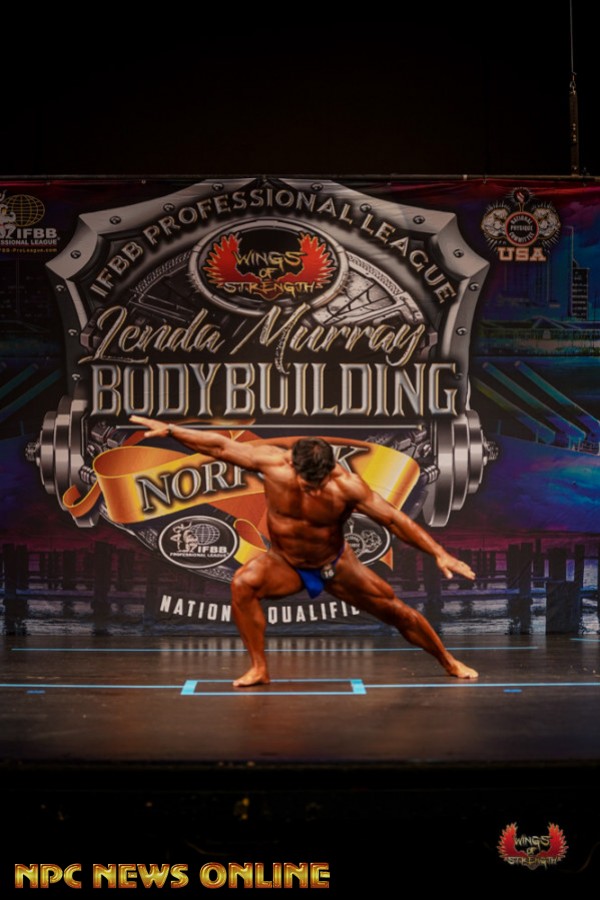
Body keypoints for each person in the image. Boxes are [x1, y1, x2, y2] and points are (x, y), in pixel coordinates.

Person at [130, 416, 478, 685]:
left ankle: (448, 661)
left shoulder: (348, 487)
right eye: (305, 480)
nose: (311, 488)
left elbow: (394, 520)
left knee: (397, 612)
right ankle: (259, 669)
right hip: (285, 562)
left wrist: (439, 553)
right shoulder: (272, 464)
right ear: (292, 464)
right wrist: (172, 430)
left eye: (317, 482)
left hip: (335, 564)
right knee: (242, 584)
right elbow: (219, 447)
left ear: (330, 470)